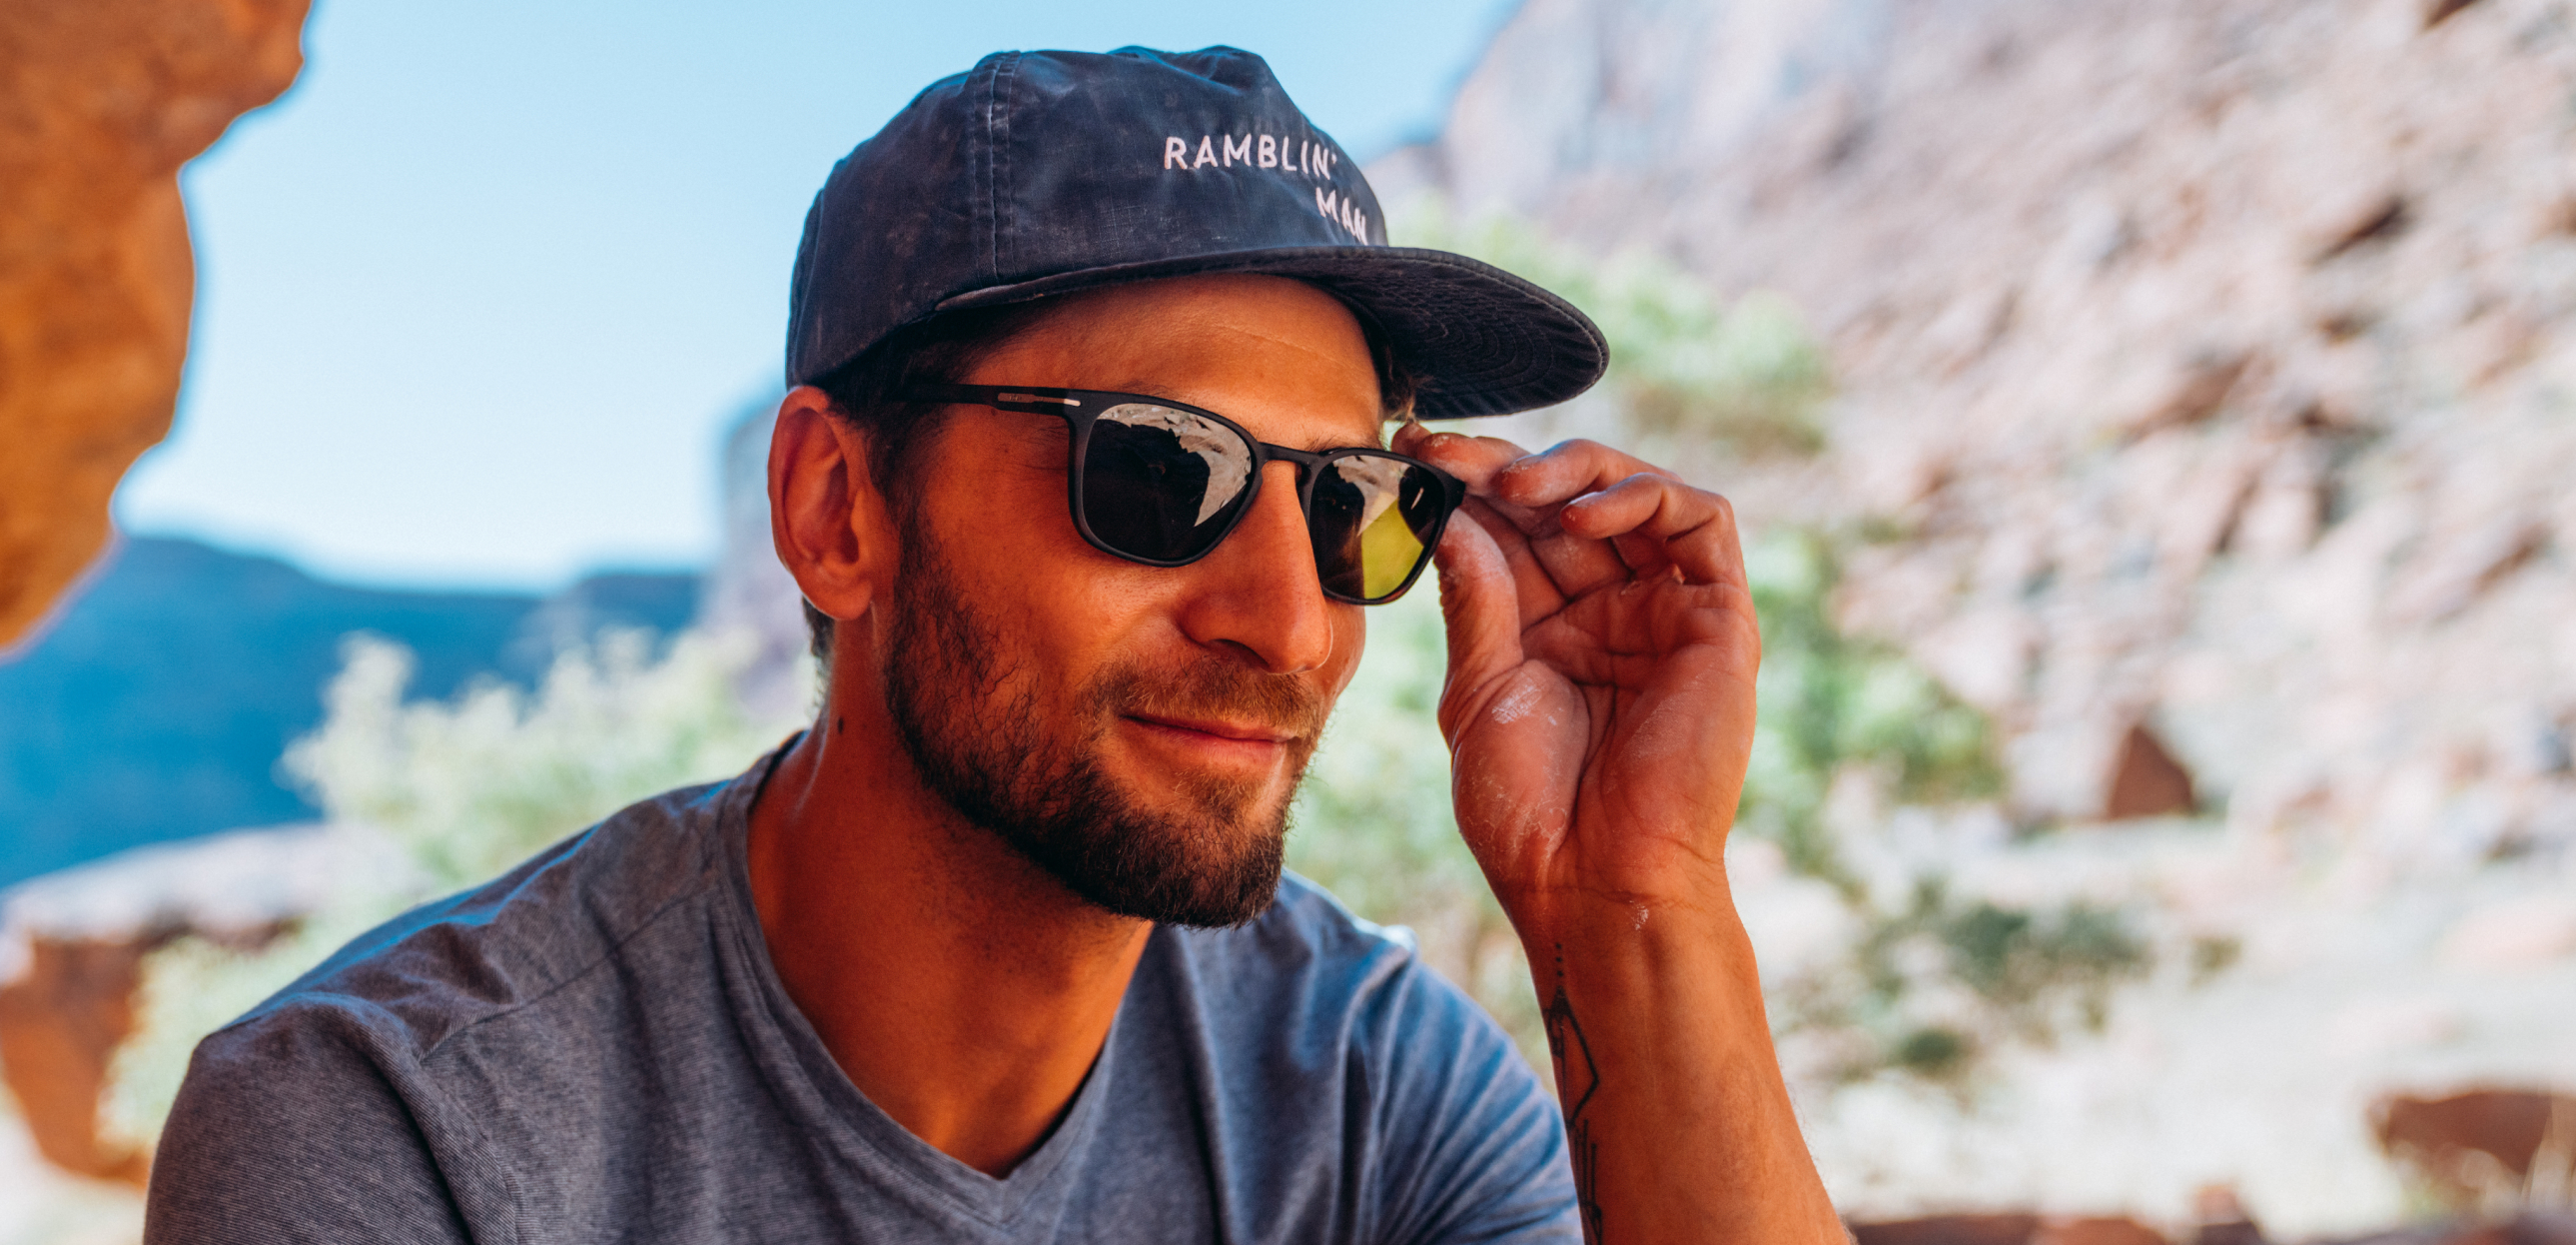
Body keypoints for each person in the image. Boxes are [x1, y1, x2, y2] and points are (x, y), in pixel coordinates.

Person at [144, 46, 1839, 1243]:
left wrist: (1632, 906)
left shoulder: (1371, 1086)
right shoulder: (398, 1131)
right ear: (835, 511)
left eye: (1352, 509)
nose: (1291, 623)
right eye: (1155, 471)